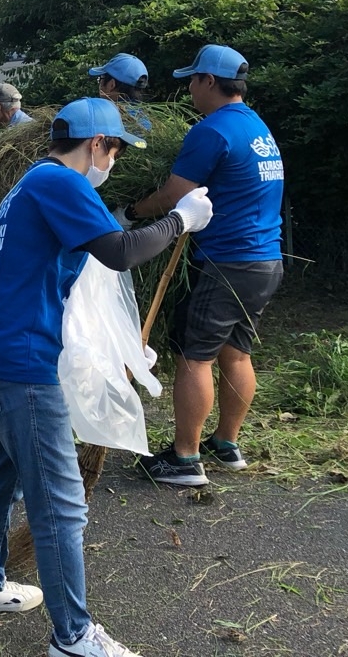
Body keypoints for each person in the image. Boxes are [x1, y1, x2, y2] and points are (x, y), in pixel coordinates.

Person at [0, 97, 212, 657]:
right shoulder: (61, 182)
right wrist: (180, 218)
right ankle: (73, 637)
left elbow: (91, 250)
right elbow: (119, 252)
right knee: (60, 501)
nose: (114, 160)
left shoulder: (31, 183)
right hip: (18, 363)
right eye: (115, 148)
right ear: (96, 144)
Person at [123, 45, 284, 487]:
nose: (189, 88)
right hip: (265, 260)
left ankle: (185, 458)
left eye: (193, 80)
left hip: (226, 261)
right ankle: (226, 444)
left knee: (194, 356)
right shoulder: (256, 126)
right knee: (236, 352)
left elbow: (176, 194)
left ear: (209, 82)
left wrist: (132, 213)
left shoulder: (212, 131)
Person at [89, 53, 151, 132]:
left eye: (100, 78)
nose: (99, 83)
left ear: (111, 84)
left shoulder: (100, 120)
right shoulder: (145, 121)